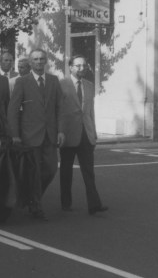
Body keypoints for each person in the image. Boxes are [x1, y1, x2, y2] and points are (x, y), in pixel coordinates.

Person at [8, 49, 65, 220]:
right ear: (30, 63)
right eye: (35, 59)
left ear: (46, 61)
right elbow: (13, 110)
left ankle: (32, 197)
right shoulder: (22, 82)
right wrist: (15, 135)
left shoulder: (54, 81)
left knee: (51, 169)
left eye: (41, 59)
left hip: (50, 134)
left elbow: (60, 108)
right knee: (35, 172)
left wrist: (61, 130)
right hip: (30, 135)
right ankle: (36, 206)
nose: (39, 62)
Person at [59, 56, 107, 215]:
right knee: (66, 170)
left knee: (89, 171)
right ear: (70, 67)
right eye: (78, 66)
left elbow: (90, 111)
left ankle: (94, 204)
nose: (81, 68)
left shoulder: (89, 85)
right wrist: (59, 131)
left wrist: (94, 132)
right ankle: (66, 202)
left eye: (84, 65)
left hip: (86, 133)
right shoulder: (61, 84)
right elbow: (58, 110)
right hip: (68, 134)